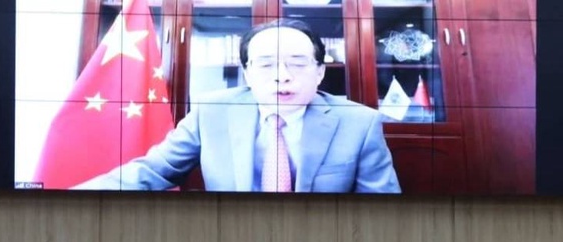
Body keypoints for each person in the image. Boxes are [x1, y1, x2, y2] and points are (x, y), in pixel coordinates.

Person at [78, 19, 400, 193]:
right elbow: (153, 170)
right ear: (246, 73)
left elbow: (382, 208)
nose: (282, 76)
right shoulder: (212, 111)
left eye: (297, 63)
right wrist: (71, 195)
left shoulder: (359, 123)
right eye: (266, 65)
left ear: (319, 72)